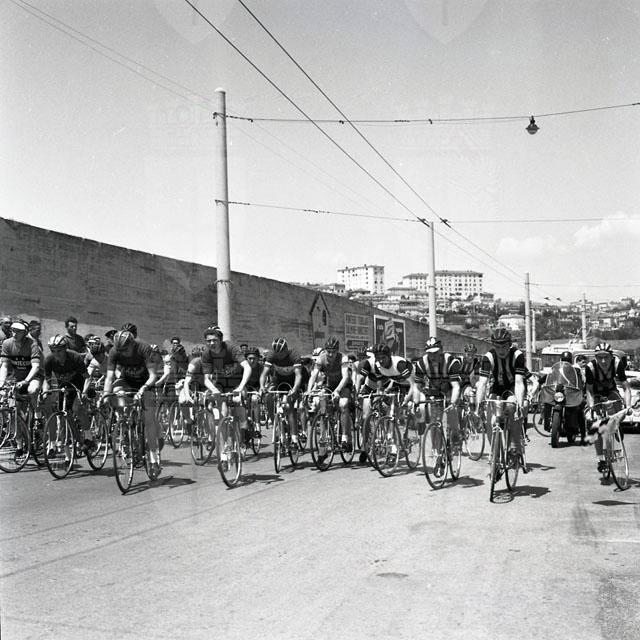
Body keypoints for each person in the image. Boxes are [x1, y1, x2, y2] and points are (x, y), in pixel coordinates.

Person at [102, 329, 162, 478]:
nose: (122, 352)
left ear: (132, 344)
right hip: (127, 381)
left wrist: (143, 389)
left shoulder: (143, 348)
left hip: (146, 383)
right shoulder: (115, 351)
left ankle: (153, 458)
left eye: (125, 349)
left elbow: (153, 375)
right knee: (116, 391)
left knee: (148, 420)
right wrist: (105, 395)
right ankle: (126, 424)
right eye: (120, 350)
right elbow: (109, 377)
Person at [475, 327, 528, 470]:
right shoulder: (488, 357)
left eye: (504, 346)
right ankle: (495, 455)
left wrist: (519, 405)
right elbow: (482, 384)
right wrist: (478, 406)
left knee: (512, 409)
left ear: (509, 345)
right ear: (493, 346)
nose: (501, 350)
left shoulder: (517, 355)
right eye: (497, 347)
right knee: (490, 421)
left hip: (513, 387)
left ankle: (514, 447)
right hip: (497, 388)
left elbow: (519, 383)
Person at [354, 342, 413, 464]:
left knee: (392, 414)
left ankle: (395, 443)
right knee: (366, 416)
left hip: (392, 386)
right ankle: (366, 445)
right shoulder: (369, 363)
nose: (379, 360)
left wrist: (382, 393)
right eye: (377, 357)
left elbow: (382, 384)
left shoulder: (394, 364)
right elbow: (360, 379)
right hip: (370, 387)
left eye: (382, 357)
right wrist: (357, 393)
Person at [201, 326, 252, 444]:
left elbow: (247, 367)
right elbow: (206, 379)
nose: (211, 343)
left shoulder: (231, 348)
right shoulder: (206, 354)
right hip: (221, 384)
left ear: (220, 340)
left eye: (215, 340)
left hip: (237, 382)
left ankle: (244, 426)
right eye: (209, 341)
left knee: (237, 400)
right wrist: (213, 389)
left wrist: (241, 386)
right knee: (222, 414)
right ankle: (225, 447)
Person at [585, 342, 631, 473]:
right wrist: (592, 407)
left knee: (621, 412)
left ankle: (616, 426)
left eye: (606, 357)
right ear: (596, 358)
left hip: (611, 391)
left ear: (611, 357)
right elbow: (588, 391)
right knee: (596, 426)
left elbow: (626, 387)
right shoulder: (590, 368)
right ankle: (600, 459)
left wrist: (628, 406)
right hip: (596, 394)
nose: (603, 361)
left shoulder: (617, 364)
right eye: (600, 357)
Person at [42, 335, 92, 449]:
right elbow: (47, 379)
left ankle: (89, 437)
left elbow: (88, 378)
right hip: (64, 387)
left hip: (79, 385)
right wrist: (45, 391)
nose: (56, 354)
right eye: (53, 351)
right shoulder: (49, 360)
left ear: (65, 348)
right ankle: (75, 437)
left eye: (59, 350)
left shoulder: (75, 357)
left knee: (77, 408)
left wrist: (84, 393)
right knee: (63, 413)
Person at [409, 337, 461, 440]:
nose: (433, 356)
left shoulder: (451, 361)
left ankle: (455, 434)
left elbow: (456, 386)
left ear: (441, 350)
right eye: (430, 353)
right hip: (435, 391)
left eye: (435, 353)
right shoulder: (421, 363)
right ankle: (436, 448)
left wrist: (452, 403)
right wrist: (416, 403)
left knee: (452, 411)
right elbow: (417, 387)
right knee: (434, 420)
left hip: (450, 389)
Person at [306, 337, 353, 451]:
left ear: (337, 351)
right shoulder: (321, 358)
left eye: (334, 351)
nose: (331, 354)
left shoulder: (343, 358)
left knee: (343, 404)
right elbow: (313, 376)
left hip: (343, 385)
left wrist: (337, 390)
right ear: (325, 350)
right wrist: (309, 390)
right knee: (322, 406)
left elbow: (346, 377)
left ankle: (345, 437)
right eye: (329, 351)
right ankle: (325, 436)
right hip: (330, 385)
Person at [259, 337, 306, 448]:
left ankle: (294, 438)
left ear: (286, 349)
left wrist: (295, 389)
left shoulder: (294, 354)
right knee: (269, 399)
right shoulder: (271, 355)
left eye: (281, 353)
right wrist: (262, 387)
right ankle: (276, 424)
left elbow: (298, 375)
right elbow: (264, 373)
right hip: (279, 380)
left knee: (289, 404)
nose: (279, 356)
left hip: (293, 381)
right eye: (277, 353)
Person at [0, 320, 43, 418]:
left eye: (19, 331)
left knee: (33, 390)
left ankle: (38, 416)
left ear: (25, 333)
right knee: (6, 396)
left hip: (32, 377)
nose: (15, 334)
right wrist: (1, 382)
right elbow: (4, 366)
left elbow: (36, 367)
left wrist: (26, 381)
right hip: (16, 377)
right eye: (13, 330)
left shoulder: (32, 344)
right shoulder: (7, 343)